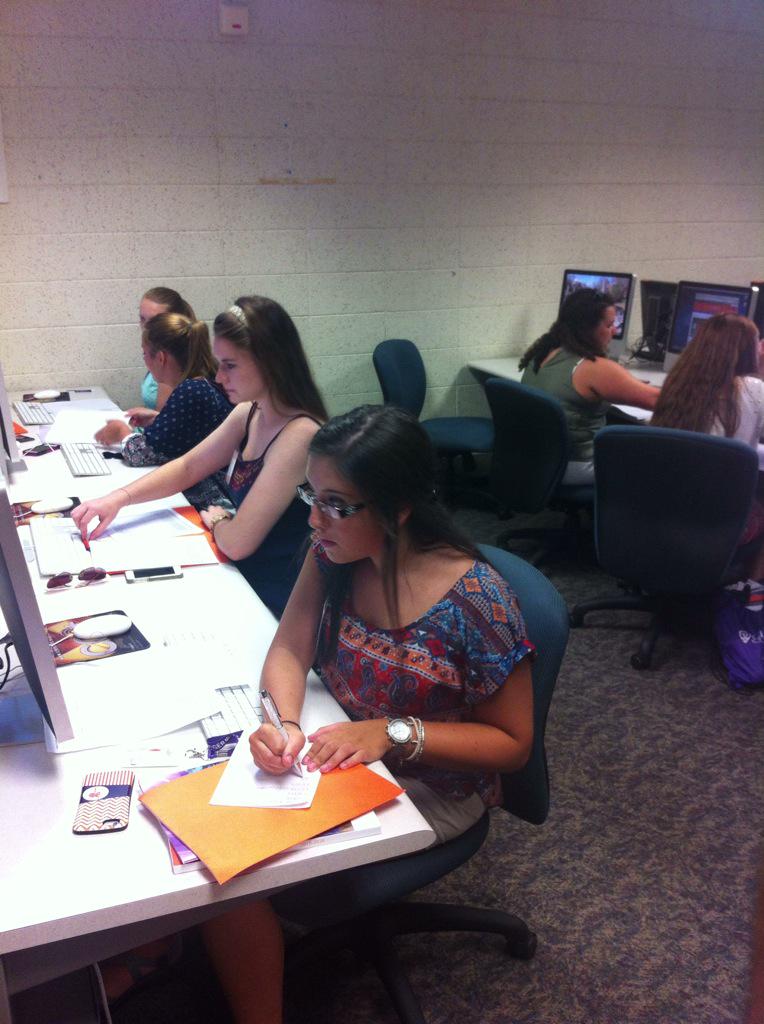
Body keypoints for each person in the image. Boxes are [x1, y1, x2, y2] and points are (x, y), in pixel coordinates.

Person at [202, 404, 535, 1023]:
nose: (313, 517)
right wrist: (286, 724)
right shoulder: (332, 552)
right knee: (212, 826)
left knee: (234, 870)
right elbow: (290, 649)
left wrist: (391, 733)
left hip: (434, 782)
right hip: (344, 747)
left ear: (398, 508)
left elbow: (512, 744)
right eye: (312, 493)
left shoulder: (478, 600)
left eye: (335, 503)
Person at [72, 296, 327, 617]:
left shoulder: (299, 434)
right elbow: (189, 466)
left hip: (275, 599)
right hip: (243, 576)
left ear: (270, 362)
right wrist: (117, 499)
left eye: (230, 365)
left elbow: (237, 543)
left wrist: (219, 519)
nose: (219, 376)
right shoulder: (250, 412)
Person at [651, 313, 764, 575]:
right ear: (746, 351)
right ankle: (750, 593)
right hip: (719, 519)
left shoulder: (678, 382)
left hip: (661, 510)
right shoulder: (752, 389)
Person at [519, 288, 659, 483]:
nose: (615, 330)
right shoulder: (593, 368)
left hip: (539, 459)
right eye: (610, 324)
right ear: (587, 328)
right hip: (576, 465)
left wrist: (627, 384)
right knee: (656, 458)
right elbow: (658, 401)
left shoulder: (544, 351)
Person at [138, 286, 195, 412]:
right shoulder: (157, 350)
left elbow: (163, 421)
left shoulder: (170, 361)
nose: (146, 327)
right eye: (142, 319)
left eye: (154, 321)